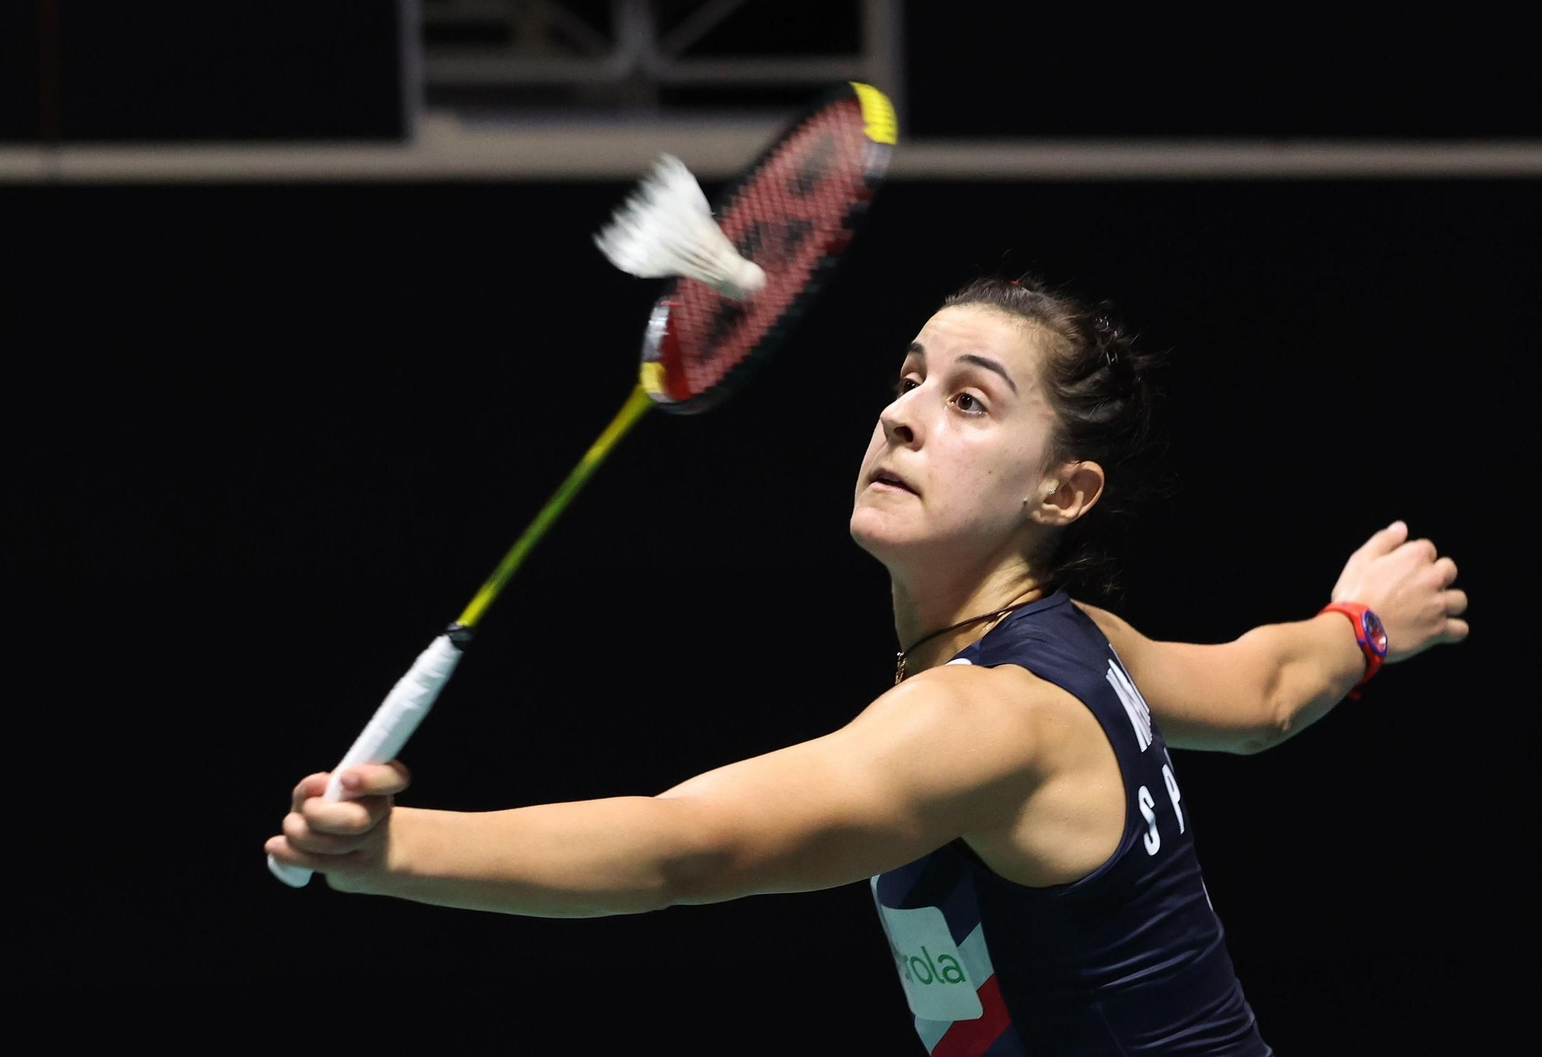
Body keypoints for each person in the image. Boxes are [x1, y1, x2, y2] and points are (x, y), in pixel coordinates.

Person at [266, 276, 1468, 1055]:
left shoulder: (987, 719)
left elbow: (687, 846)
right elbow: (1260, 696)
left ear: (1065, 490)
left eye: (969, 401)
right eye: (905, 381)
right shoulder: (1081, 650)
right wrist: (1363, 625)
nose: (901, 416)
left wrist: (393, 852)